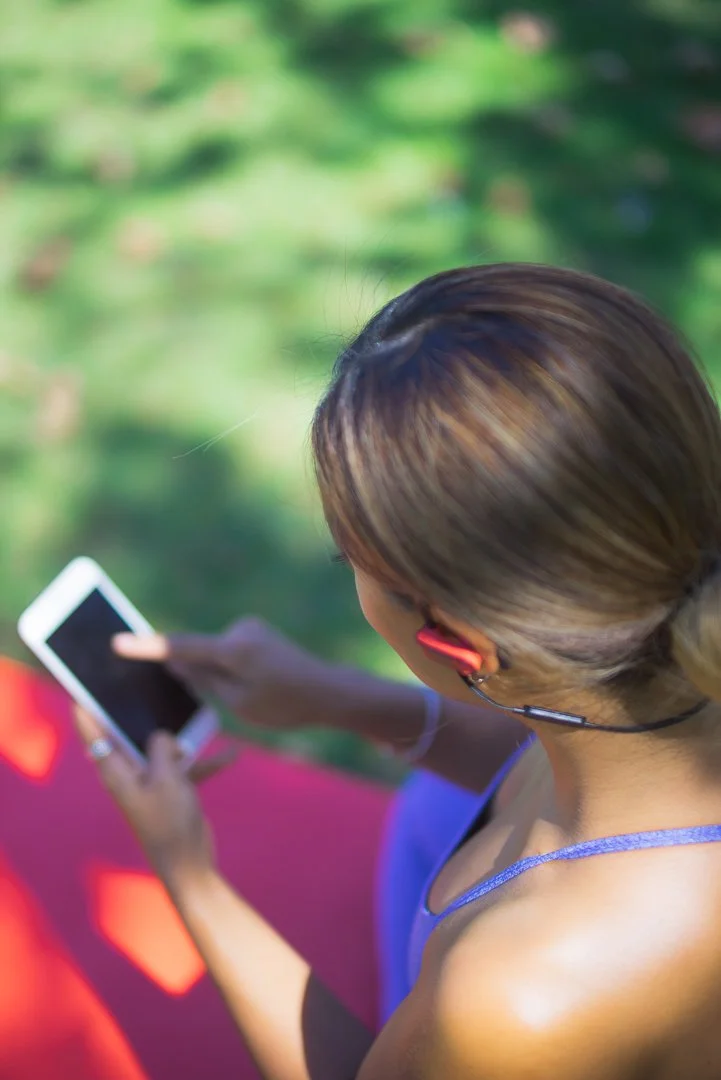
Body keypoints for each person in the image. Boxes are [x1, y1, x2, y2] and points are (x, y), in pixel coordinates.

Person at [75, 262, 721, 1079]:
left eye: (352, 557)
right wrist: (341, 699)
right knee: (429, 805)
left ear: (458, 644)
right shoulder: (665, 668)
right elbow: (536, 765)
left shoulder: (520, 992)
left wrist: (187, 870)